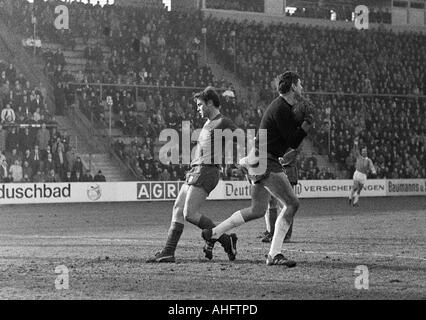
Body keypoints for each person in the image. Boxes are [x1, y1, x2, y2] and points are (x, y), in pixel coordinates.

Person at [202, 72, 313, 267]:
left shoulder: (281, 107)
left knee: (257, 209)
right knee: (292, 204)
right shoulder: (281, 108)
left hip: (258, 158)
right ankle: (274, 254)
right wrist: (306, 124)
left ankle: (215, 233)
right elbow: (293, 141)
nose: (302, 88)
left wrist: (300, 123)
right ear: (293, 87)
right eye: (300, 84)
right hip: (265, 160)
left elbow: (285, 136)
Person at [147, 87, 238, 263]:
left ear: (210, 103)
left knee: (190, 213)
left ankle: (227, 240)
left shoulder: (223, 122)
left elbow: (240, 137)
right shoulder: (208, 123)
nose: (198, 108)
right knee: (178, 208)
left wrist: (245, 160)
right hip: (196, 170)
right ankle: (168, 251)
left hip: (206, 170)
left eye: (200, 104)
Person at [349, 138, 376, 207]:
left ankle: (355, 203)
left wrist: (373, 171)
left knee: (359, 189)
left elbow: (371, 166)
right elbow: (356, 150)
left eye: (365, 151)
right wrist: (355, 144)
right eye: (363, 151)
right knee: (355, 187)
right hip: (357, 173)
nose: (364, 152)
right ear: (361, 152)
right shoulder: (359, 157)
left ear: (366, 152)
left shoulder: (368, 160)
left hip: (363, 176)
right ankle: (350, 197)